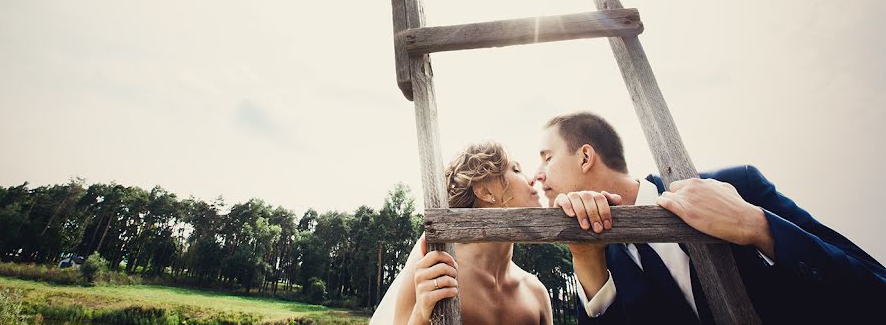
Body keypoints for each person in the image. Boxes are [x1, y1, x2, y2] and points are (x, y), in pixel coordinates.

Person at [533, 111, 886, 323]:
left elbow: (873, 290)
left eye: (547, 157)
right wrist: (586, 260)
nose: (537, 175)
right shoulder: (598, 260)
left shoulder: (739, 186)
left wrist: (757, 225)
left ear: (585, 157)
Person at [371, 141, 552, 325]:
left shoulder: (537, 293)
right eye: (516, 170)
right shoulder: (434, 270)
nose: (531, 179)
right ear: (484, 190)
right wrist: (421, 315)